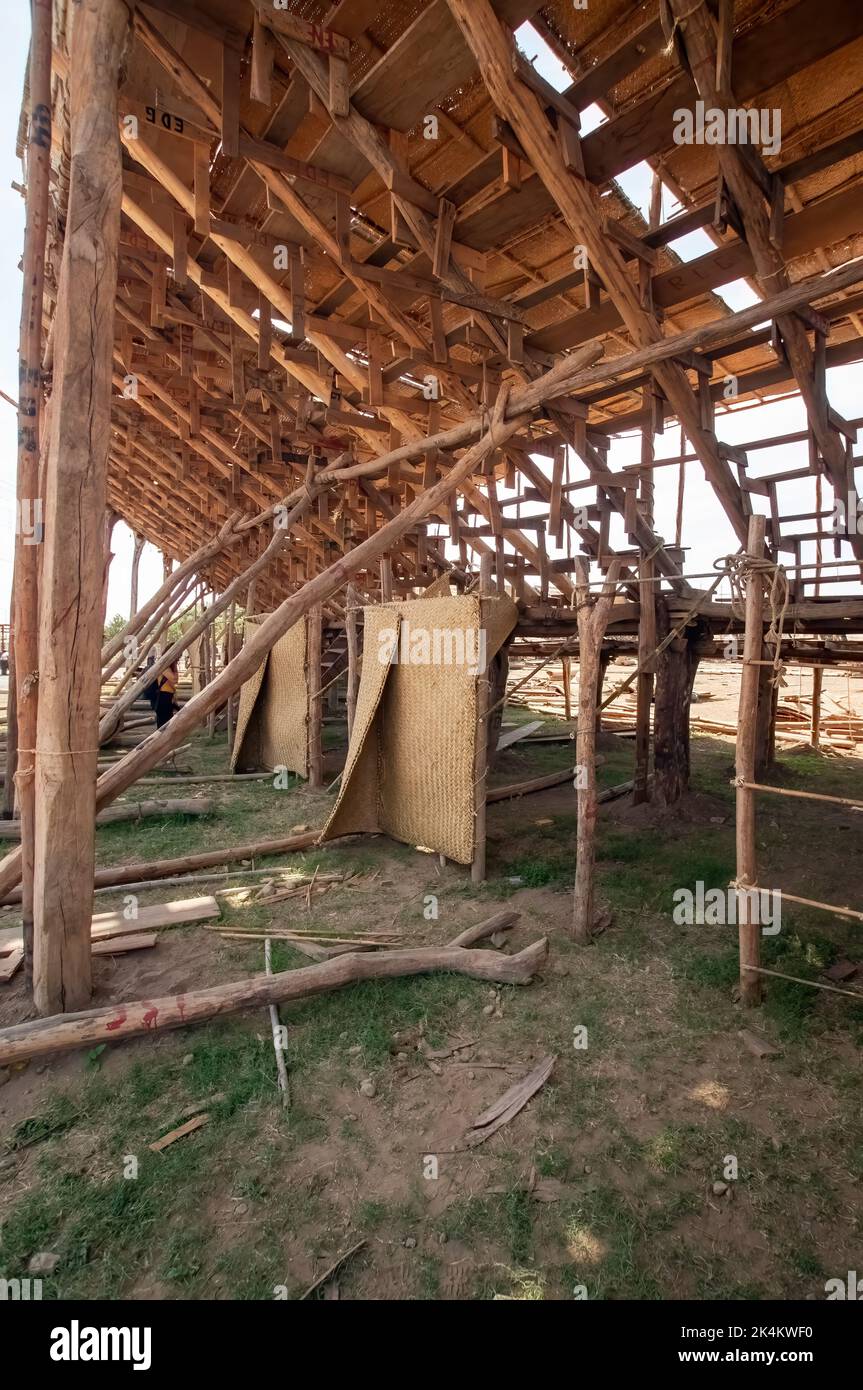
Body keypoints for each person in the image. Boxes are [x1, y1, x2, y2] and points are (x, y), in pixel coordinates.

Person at [155, 660, 179, 728]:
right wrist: (175, 667)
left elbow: (176, 681)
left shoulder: (170, 669)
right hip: (163, 696)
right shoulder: (165, 668)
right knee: (163, 720)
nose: (177, 661)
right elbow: (174, 679)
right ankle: (160, 737)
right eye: (177, 659)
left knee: (168, 719)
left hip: (169, 696)